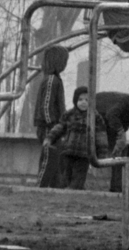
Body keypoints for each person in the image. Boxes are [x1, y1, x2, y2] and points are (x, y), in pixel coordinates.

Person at [43, 87, 103, 190]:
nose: (83, 102)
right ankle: (68, 193)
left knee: (78, 178)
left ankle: (75, 190)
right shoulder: (69, 114)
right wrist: (49, 138)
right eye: (80, 100)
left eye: (87, 100)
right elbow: (60, 127)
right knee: (66, 176)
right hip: (68, 151)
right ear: (75, 100)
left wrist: (101, 153)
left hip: (84, 153)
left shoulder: (95, 116)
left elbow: (101, 135)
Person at [31, 44, 69, 188]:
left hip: (53, 127)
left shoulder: (55, 80)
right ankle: (40, 186)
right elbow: (46, 106)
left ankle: (54, 187)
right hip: (49, 127)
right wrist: (53, 125)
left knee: (55, 160)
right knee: (49, 159)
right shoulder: (52, 80)